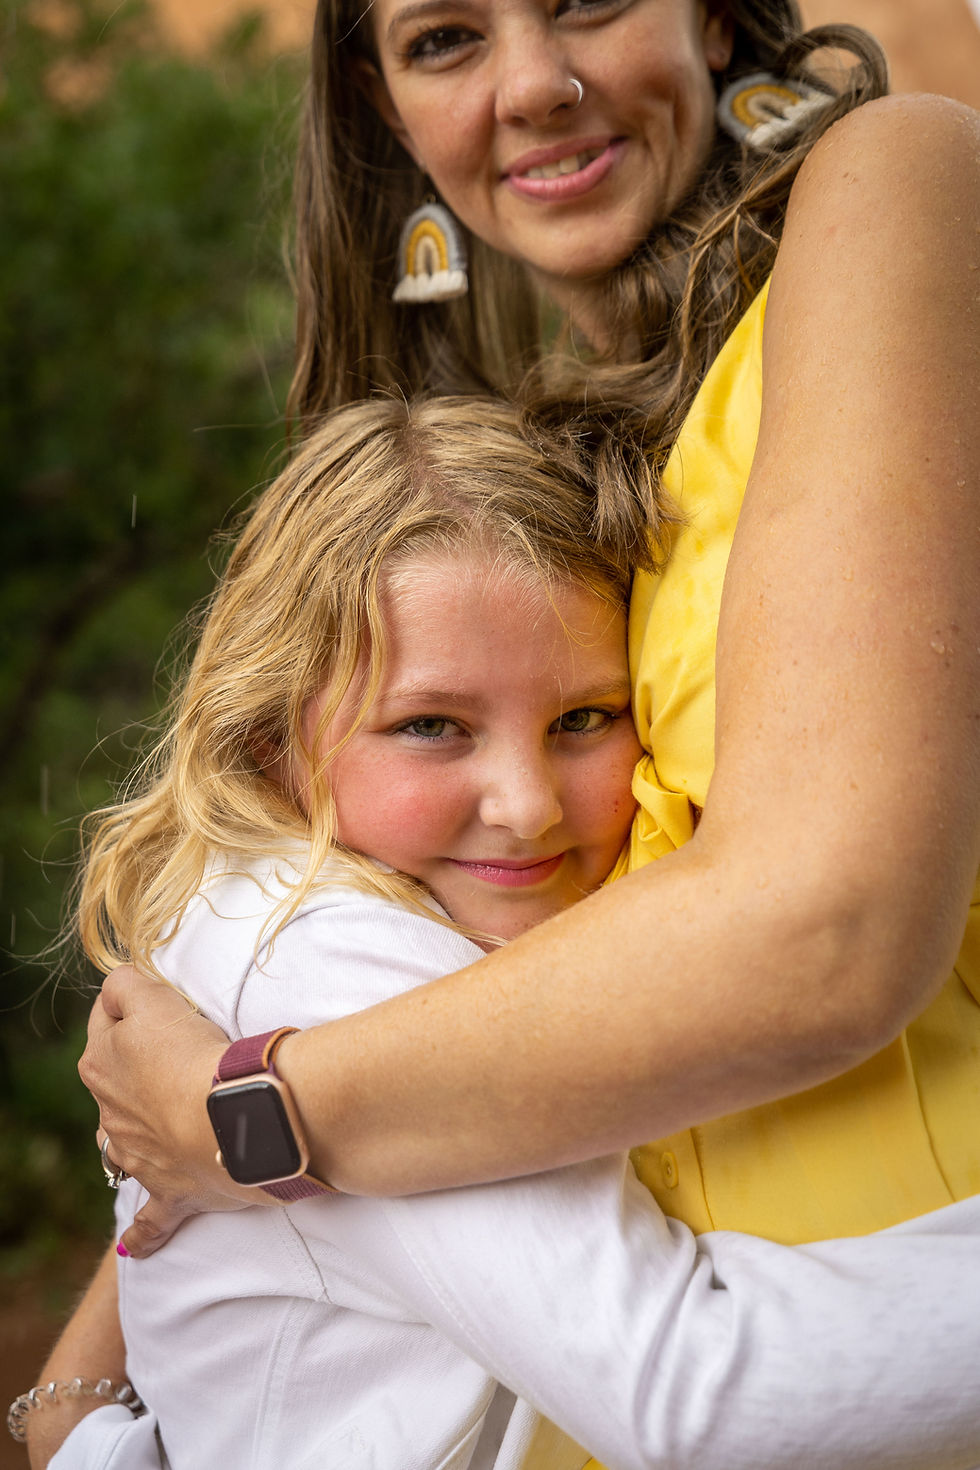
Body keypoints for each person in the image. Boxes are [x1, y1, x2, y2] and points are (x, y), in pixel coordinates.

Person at [81, 2, 979, 1261]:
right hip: (600, 1362)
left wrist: (247, 1116)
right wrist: (94, 1364)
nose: (535, 85)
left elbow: (833, 936)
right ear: (382, 98)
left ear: (714, 21)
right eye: (445, 38)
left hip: (873, 1350)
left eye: (589, 2)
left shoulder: (896, 183)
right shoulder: (527, 475)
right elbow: (355, 905)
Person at [25, 396, 980, 1470]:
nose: (525, 806)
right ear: (265, 743)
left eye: (582, 720)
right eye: (430, 727)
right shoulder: (314, 950)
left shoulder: (336, 903)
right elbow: (695, 1393)